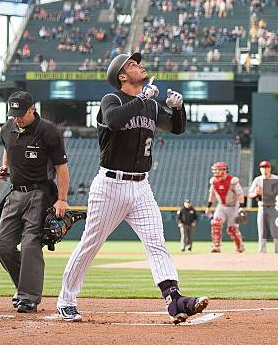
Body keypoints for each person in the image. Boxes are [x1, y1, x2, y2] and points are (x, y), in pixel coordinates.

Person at [57, 52, 208, 324]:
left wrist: (178, 108)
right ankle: (66, 300)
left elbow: (176, 128)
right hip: (110, 186)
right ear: (122, 76)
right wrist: (142, 98)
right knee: (91, 244)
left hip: (141, 187)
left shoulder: (148, 104)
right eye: (133, 64)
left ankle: (174, 300)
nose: (140, 65)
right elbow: (114, 120)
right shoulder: (111, 100)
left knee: (156, 242)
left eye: (139, 63)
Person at [0, 91, 70, 313]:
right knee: (2, 245)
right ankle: (24, 287)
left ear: (31, 109)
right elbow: (7, 148)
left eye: (20, 113)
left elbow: (61, 168)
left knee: (30, 245)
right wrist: (5, 167)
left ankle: (28, 296)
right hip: (15, 193)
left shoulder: (48, 131)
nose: (16, 118)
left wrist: (62, 199)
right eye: (13, 113)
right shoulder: (7, 128)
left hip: (40, 193)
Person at [205, 162, 245, 253]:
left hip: (233, 206)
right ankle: (216, 246)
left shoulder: (233, 181)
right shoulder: (214, 181)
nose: (216, 172)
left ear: (224, 170)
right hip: (221, 206)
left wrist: (241, 207)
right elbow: (212, 195)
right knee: (216, 223)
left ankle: (239, 246)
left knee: (232, 229)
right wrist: (208, 207)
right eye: (215, 170)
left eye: (218, 169)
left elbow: (240, 194)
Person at [248, 161, 278, 254]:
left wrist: (263, 192)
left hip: (273, 207)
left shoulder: (276, 179)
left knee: (275, 231)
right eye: (263, 167)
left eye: (267, 167)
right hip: (262, 206)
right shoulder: (257, 180)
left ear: (270, 168)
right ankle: (262, 252)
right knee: (261, 231)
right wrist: (256, 193)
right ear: (260, 169)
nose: (265, 169)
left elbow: (277, 194)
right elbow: (250, 194)